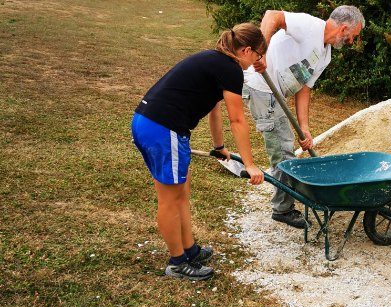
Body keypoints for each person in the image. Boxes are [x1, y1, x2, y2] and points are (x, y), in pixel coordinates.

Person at [131, 23, 266, 280]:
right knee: (170, 198)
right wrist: (249, 164)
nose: (256, 63)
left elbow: (214, 109)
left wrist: (219, 147)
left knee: (181, 190)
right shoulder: (230, 69)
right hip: (162, 128)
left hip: (153, 123)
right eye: (258, 56)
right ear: (247, 50)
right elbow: (237, 120)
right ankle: (178, 262)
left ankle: (190, 250)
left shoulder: (216, 62)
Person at [243, 5, 365, 228]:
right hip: (261, 86)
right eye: (352, 37)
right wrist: (261, 52)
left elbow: (304, 88)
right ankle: (283, 209)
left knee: (286, 149)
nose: (350, 42)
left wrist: (305, 127)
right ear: (344, 28)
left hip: (276, 92)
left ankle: (286, 203)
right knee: (283, 151)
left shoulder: (325, 54)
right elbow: (273, 16)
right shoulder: (310, 26)